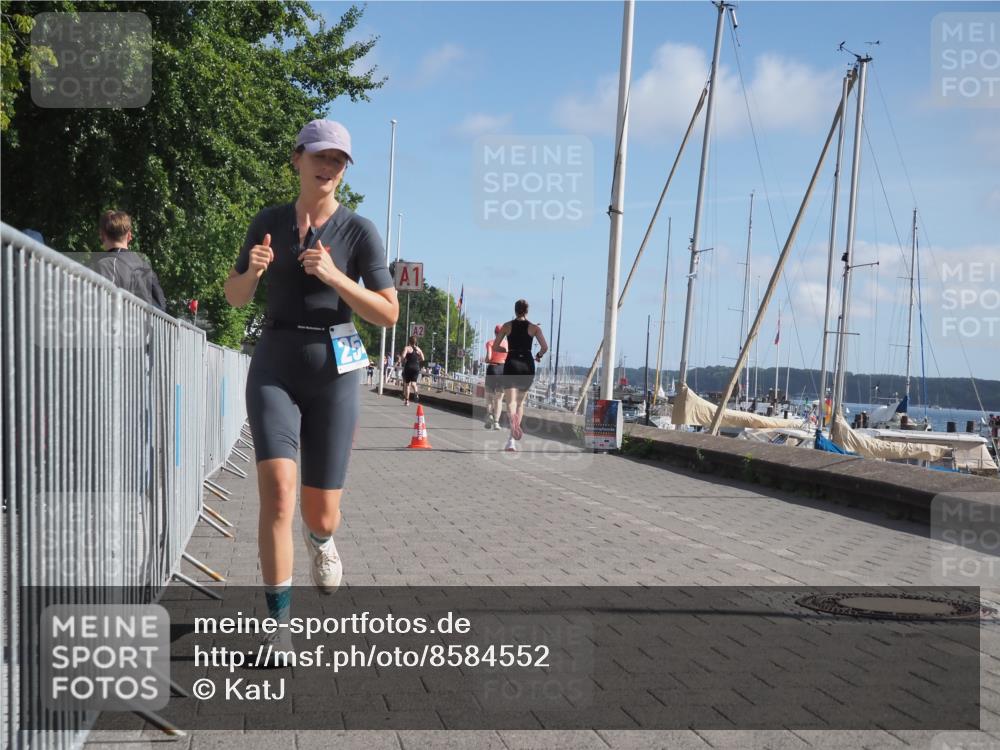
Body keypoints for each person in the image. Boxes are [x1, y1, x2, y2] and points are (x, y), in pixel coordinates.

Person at [223, 119, 398, 655]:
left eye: (338, 161)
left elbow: (388, 313)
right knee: (278, 493)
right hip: (275, 362)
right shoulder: (268, 221)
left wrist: (335, 276)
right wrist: (252, 272)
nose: (328, 167)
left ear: (344, 171)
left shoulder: (359, 231)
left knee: (319, 512)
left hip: (334, 369)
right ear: (297, 158)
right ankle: (278, 627)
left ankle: (321, 538)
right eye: (320, 156)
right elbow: (234, 296)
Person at [493, 300, 547, 452]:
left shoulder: (506, 326)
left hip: (512, 362)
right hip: (527, 365)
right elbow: (545, 347)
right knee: (520, 403)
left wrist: (505, 351)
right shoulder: (534, 328)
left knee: (510, 402)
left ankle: (512, 421)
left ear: (515, 310)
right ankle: (511, 441)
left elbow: (496, 346)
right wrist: (538, 355)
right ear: (527, 311)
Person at [92, 210, 167, 311]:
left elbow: (100, 305)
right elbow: (161, 306)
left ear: (102, 235)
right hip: (147, 321)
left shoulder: (106, 265)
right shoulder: (145, 266)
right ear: (129, 236)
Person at [483, 324, 507, 430]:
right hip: (503, 370)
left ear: (495, 332)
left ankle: (490, 415)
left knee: (489, 396)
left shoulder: (490, 343)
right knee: (499, 399)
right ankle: (496, 423)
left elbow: (488, 357)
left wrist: (486, 360)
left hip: (492, 369)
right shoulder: (507, 344)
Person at [400, 336, 424, 406]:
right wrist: (417, 360)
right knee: (414, 383)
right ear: (415, 342)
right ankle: (416, 392)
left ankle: (407, 401)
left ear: (409, 341)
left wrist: (403, 361)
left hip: (408, 367)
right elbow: (423, 358)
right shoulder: (418, 349)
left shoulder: (407, 348)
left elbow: (403, 356)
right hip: (416, 367)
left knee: (407, 385)